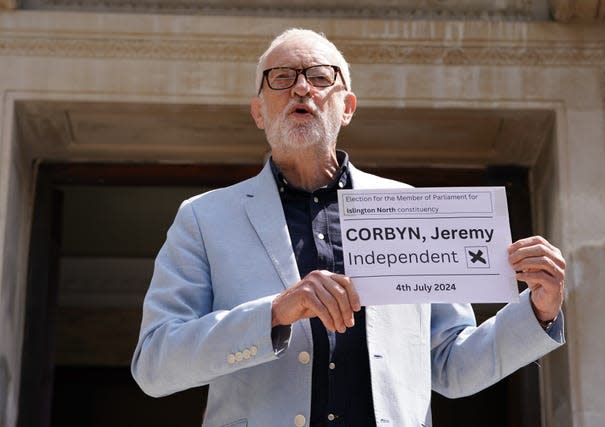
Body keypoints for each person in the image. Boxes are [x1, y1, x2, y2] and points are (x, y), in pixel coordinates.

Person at [131, 28, 565, 427]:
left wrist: (537, 311)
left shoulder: (410, 208)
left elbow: (450, 365)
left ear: (348, 107)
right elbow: (154, 364)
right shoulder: (203, 218)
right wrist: (275, 314)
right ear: (258, 112)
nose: (302, 87)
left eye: (320, 77)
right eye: (281, 77)